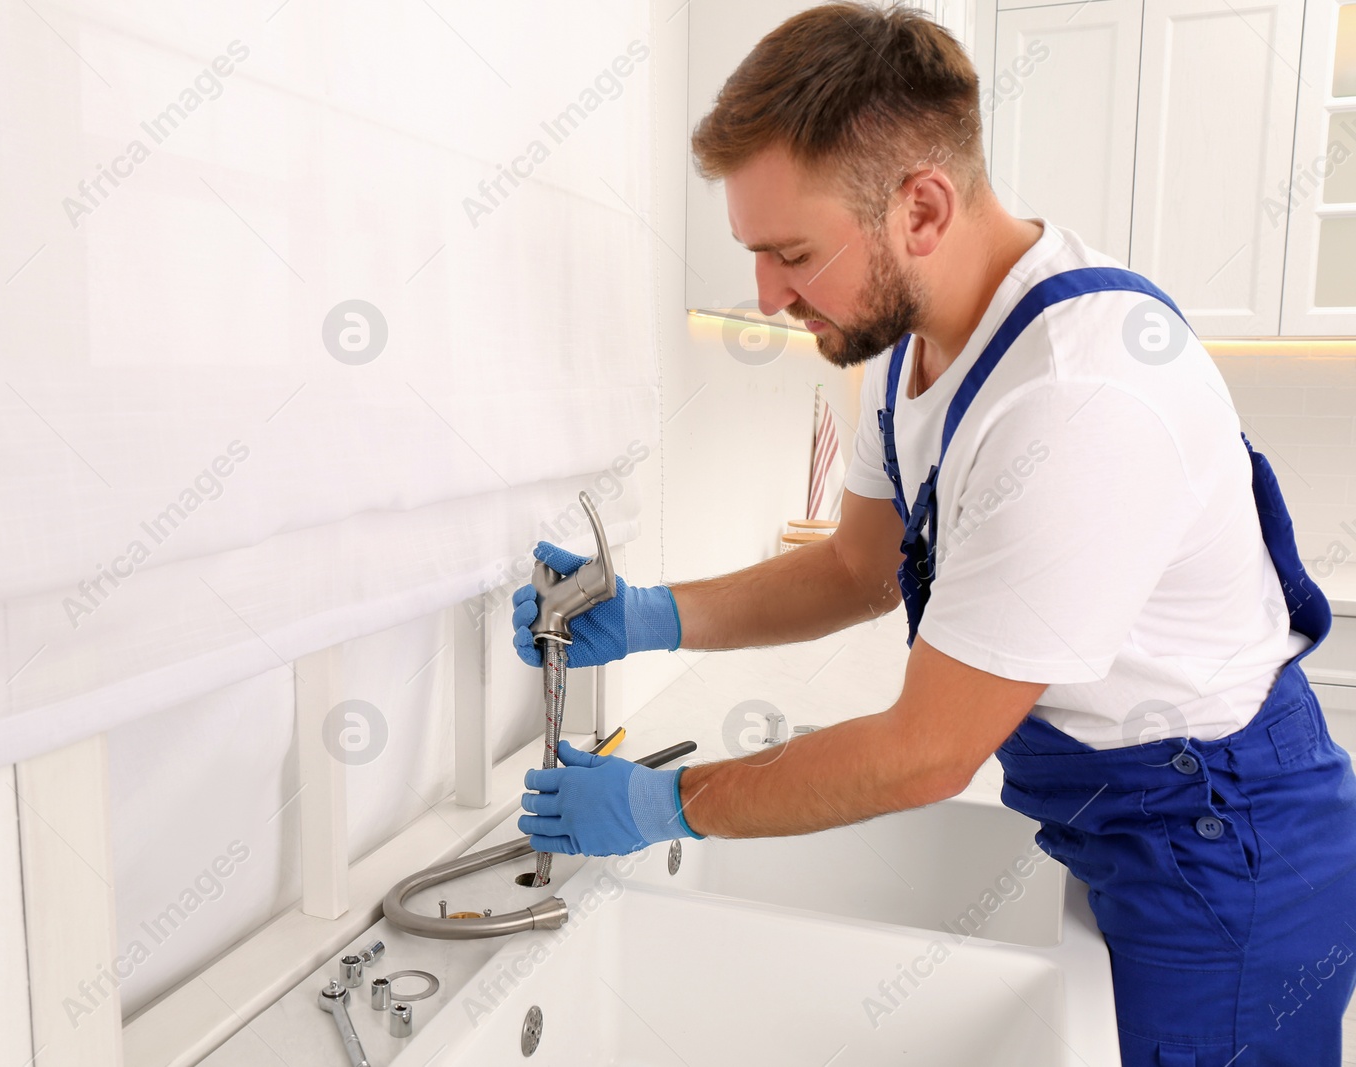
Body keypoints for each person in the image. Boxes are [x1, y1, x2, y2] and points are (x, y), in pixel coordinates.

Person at [510, 4, 1356, 1064]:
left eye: (792, 253)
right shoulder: (904, 347)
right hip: (1113, 811)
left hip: (1223, 844)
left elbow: (924, 752)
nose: (766, 294)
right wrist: (649, 615)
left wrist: (661, 800)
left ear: (920, 207)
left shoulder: (1080, 396)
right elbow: (856, 569)